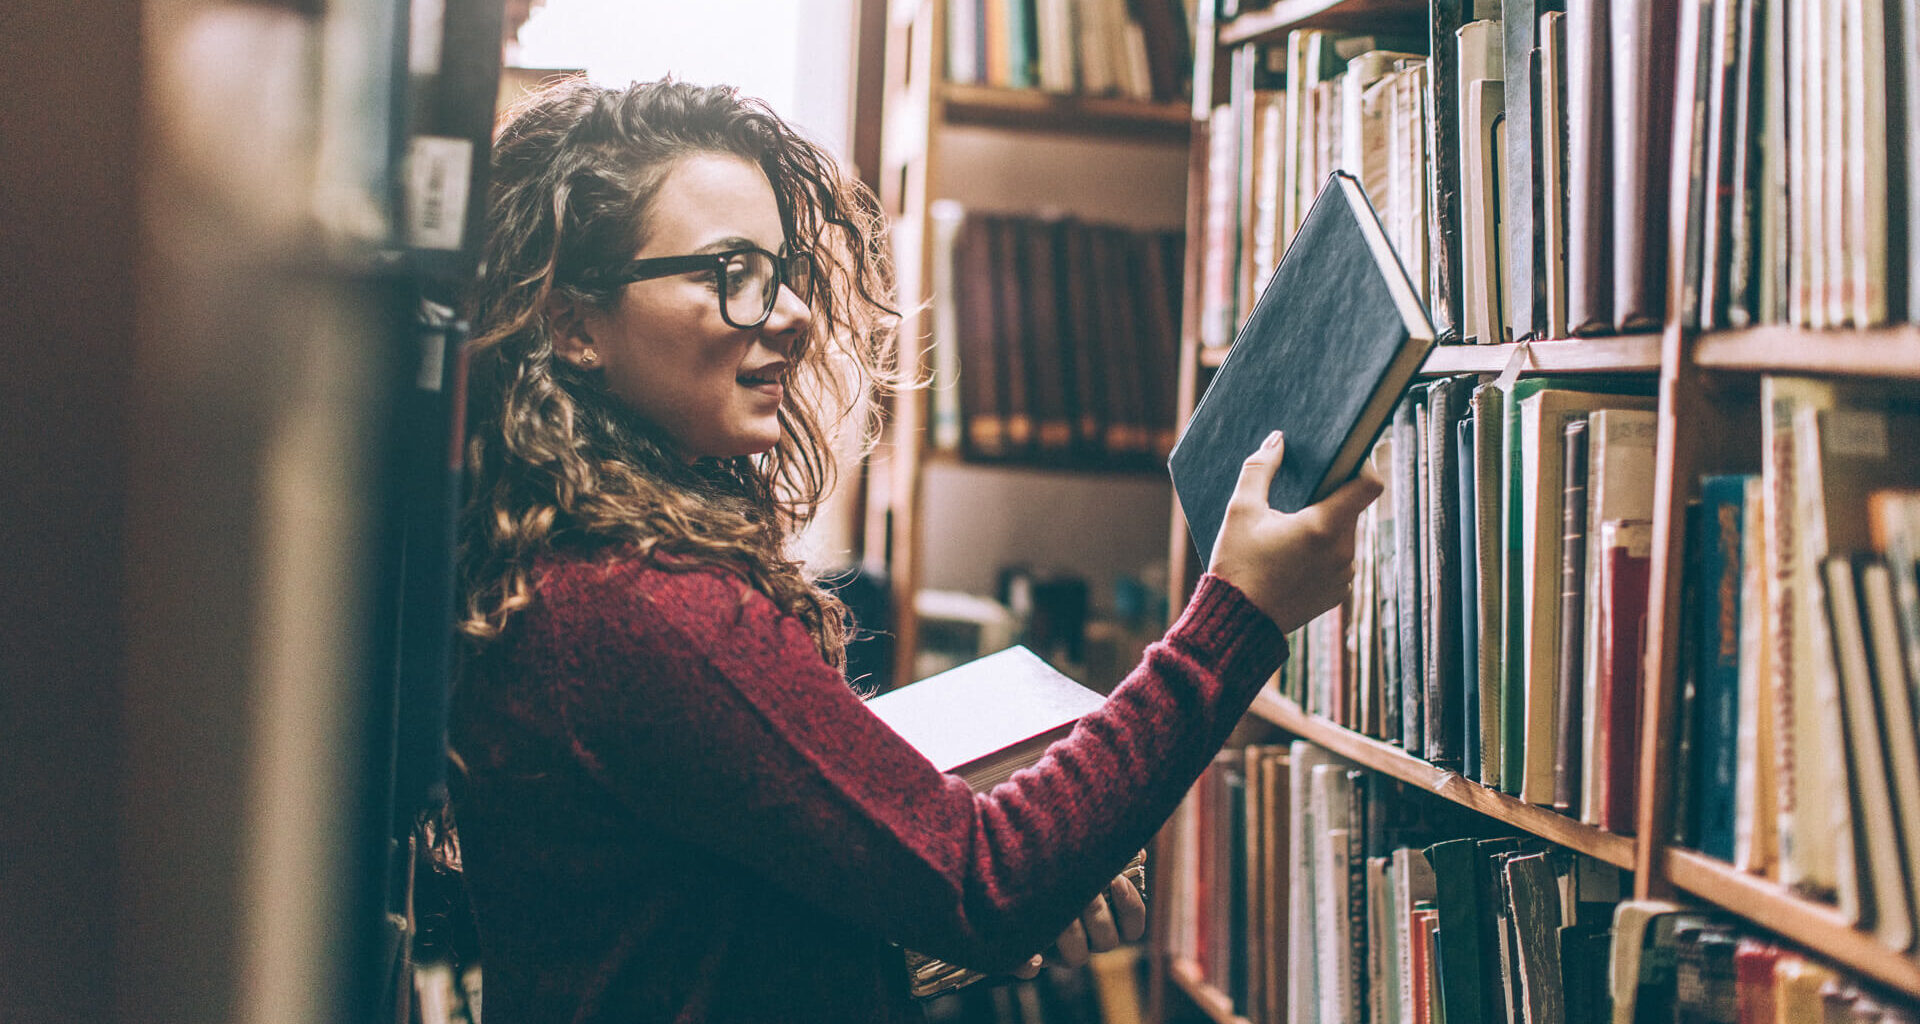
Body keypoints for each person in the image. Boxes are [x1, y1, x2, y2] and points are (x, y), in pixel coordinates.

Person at [450, 76, 1381, 1024]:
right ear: (571, 323)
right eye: (729, 273)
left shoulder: (570, 566)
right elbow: (984, 881)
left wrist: (944, 915)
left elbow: (701, 936)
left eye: (779, 270)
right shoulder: (643, 603)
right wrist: (1237, 615)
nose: (793, 314)